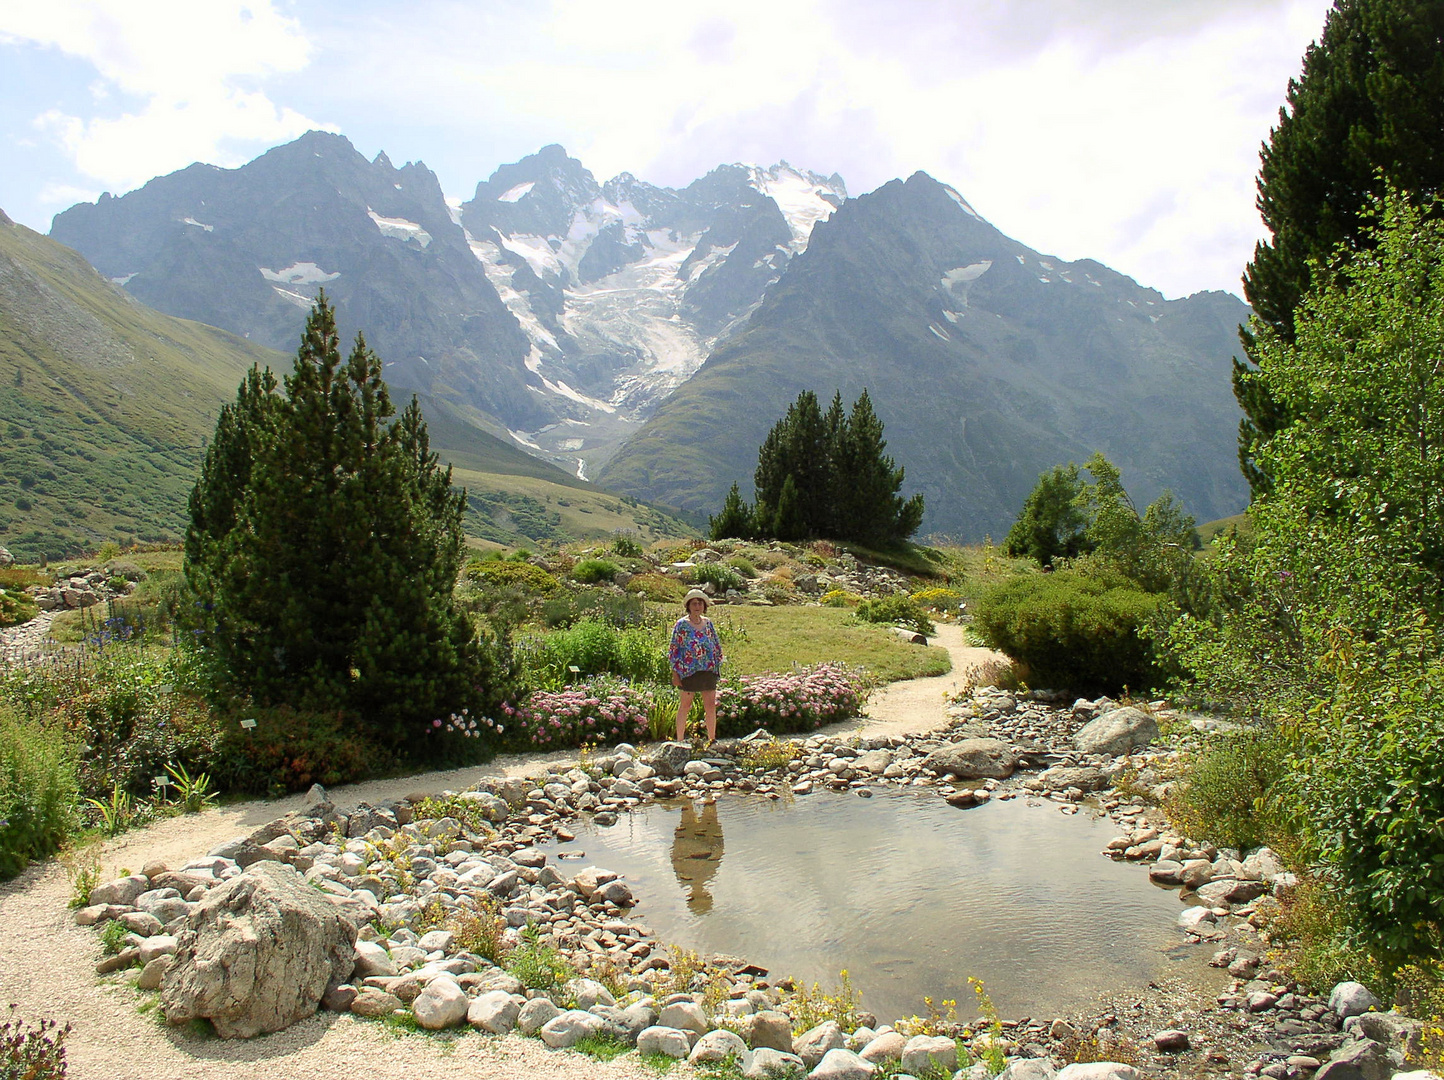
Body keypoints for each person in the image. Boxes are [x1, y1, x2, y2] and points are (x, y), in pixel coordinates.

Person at [669, 588, 722, 742]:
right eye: (694, 603)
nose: (697, 606)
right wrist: (675, 673)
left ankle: (711, 740)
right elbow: (673, 649)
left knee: (710, 706)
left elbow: (716, 645)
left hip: (708, 670)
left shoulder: (708, 623)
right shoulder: (681, 625)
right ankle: (679, 740)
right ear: (689, 606)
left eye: (700, 603)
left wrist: (716, 664)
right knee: (685, 705)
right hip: (688, 671)